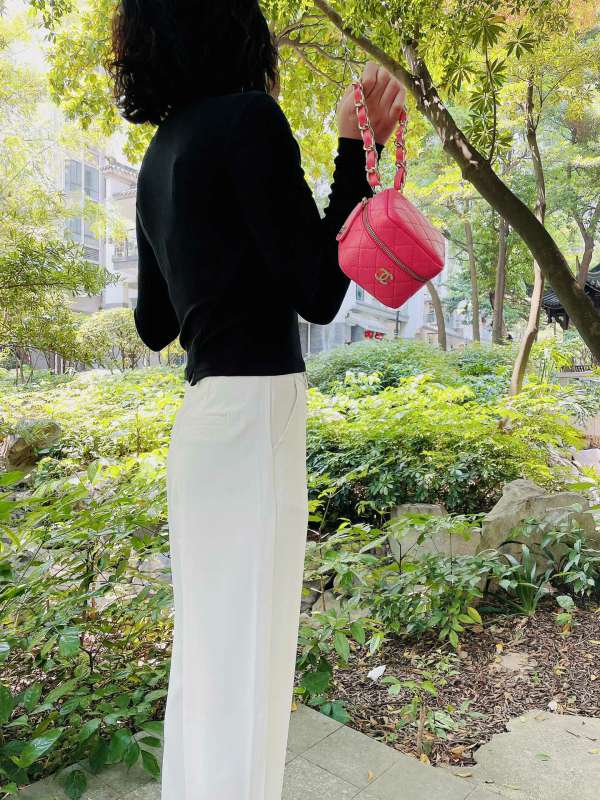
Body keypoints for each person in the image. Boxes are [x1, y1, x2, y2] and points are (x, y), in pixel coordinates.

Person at [108, 2, 405, 797]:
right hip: (256, 419)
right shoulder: (249, 121)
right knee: (249, 673)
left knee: (208, 668)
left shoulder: (158, 155)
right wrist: (352, 148)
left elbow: (153, 325)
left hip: (203, 427)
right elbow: (320, 291)